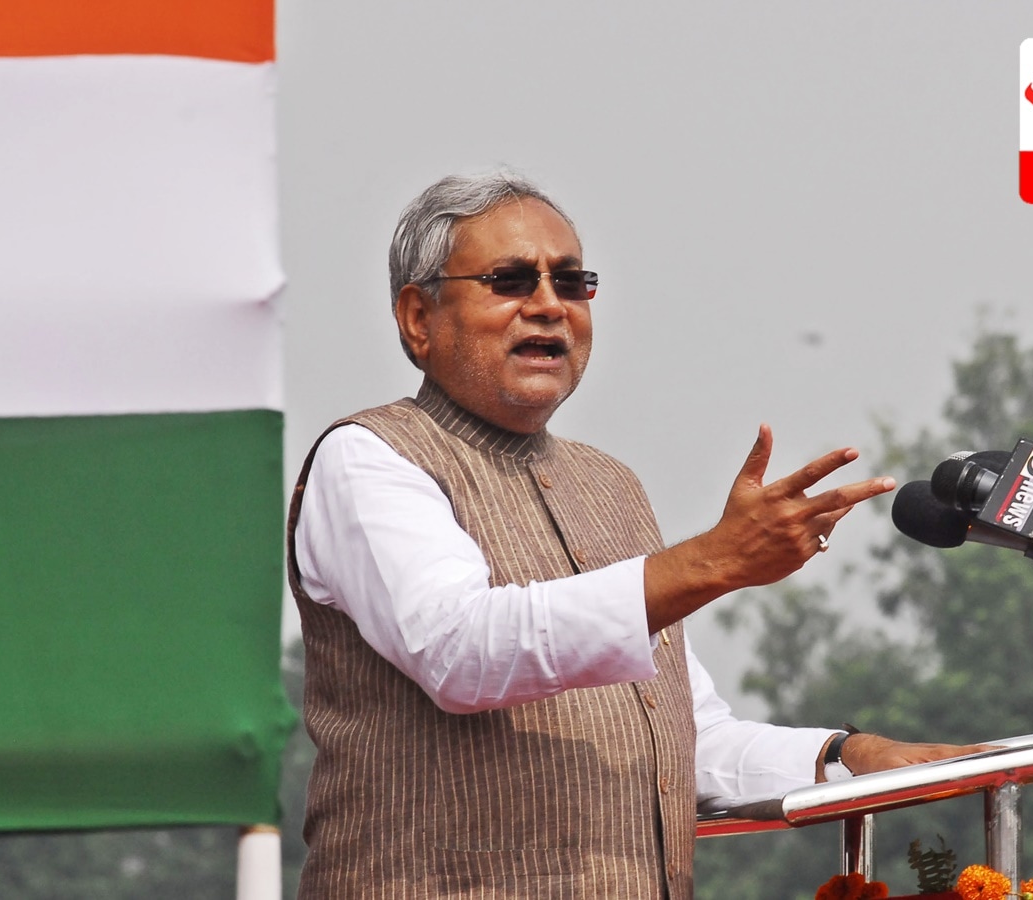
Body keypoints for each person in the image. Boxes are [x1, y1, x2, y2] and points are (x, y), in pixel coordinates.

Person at [287, 172, 984, 898]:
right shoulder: (371, 458)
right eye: (512, 280)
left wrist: (848, 756)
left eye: (572, 282)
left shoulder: (610, 487)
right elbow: (463, 652)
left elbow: (683, 742)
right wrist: (713, 561)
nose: (550, 306)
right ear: (418, 318)